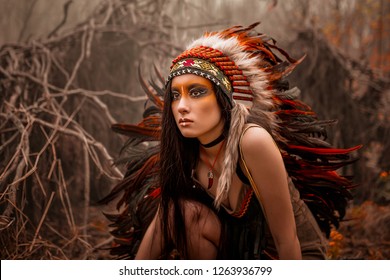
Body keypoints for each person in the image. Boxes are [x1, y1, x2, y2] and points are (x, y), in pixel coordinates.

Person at [100, 23, 360, 260]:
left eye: (197, 92)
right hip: (240, 254)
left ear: (224, 97)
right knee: (179, 212)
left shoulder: (252, 141)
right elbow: (163, 222)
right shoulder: (185, 153)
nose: (182, 106)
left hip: (293, 258)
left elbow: (288, 240)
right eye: (176, 96)